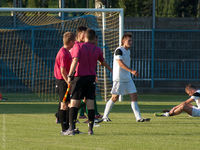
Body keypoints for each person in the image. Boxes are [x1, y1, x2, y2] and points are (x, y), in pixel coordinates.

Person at [65, 29, 112, 136]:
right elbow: (102, 62)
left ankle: (71, 129)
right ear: (94, 38)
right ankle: (90, 129)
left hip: (79, 78)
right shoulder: (97, 49)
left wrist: (69, 75)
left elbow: (75, 60)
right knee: (90, 103)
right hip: (91, 78)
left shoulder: (79, 46)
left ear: (85, 36)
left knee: (74, 103)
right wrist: (111, 70)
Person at [98, 33, 150, 123]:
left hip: (127, 78)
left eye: (131, 40)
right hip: (119, 78)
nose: (130, 42)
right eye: (128, 40)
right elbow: (120, 63)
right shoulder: (119, 50)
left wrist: (130, 73)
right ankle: (105, 117)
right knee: (114, 97)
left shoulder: (128, 51)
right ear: (123, 41)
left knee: (134, 96)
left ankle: (138, 118)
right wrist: (131, 71)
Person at [54, 32, 75, 134]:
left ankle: (68, 128)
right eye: (74, 41)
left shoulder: (67, 52)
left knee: (68, 104)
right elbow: (62, 71)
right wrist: (68, 82)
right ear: (71, 42)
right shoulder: (63, 53)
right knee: (64, 105)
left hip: (65, 81)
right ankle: (64, 129)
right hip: (62, 81)